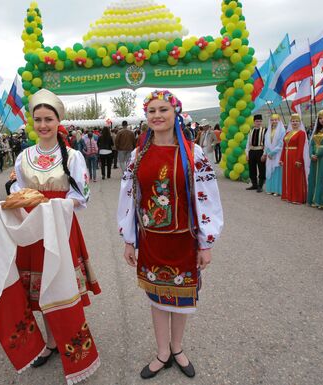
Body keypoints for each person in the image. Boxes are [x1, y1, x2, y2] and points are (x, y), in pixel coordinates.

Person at [118, 90, 223, 380]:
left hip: (183, 239)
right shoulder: (139, 155)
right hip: (152, 240)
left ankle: (177, 348)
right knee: (157, 298)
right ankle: (162, 351)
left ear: (175, 113)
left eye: (163, 109)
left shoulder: (193, 153)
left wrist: (206, 243)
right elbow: (129, 198)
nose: (157, 116)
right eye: (152, 111)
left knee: (182, 297)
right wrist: (129, 239)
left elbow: (207, 199)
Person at [0, 89, 100, 380]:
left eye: (48, 119)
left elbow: (83, 195)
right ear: (32, 122)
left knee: (61, 282)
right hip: (32, 228)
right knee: (37, 286)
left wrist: (56, 205)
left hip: (61, 227)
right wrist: (17, 202)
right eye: (38, 119)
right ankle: (51, 341)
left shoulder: (74, 156)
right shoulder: (24, 156)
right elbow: (16, 189)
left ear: (58, 121)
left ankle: (67, 334)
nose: (43, 125)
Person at [280, 114, 310, 204]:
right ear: (291, 122)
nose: (294, 123)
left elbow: (301, 147)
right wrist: (282, 159)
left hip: (295, 156)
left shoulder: (301, 133)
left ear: (300, 122)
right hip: (287, 156)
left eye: (296, 121)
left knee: (296, 177)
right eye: (293, 121)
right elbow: (284, 147)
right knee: (288, 176)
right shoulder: (287, 133)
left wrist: (298, 159)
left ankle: (297, 197)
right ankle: (288, 195)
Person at [264, 114, 285, 196]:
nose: (274, 121)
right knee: (270, 170)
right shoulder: (268, 130)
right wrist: (268, 152)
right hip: (270, 155)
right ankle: (270, 188)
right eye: (272, 120)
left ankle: (277, 190)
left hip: (277, 154)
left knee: (277, 171)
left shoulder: (282, 130)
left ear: (279, 120)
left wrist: (273, 152)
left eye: (276, 120)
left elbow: (281, 143)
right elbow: (266, 142)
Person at [245, 114, 267, 192]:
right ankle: (254, 184)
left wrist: (264, 154)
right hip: (252, 151)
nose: (259, 123)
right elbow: (248, 143)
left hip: (260, 151)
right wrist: (247, 153)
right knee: (252, 169)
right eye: (257, 121)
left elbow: (266, 143)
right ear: (254, 122)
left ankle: (260, 186)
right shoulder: (251, 130)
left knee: (261, 169)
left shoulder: (265, 130)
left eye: (260, 121)